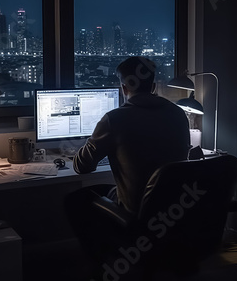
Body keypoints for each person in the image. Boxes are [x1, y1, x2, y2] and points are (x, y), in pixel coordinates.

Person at [65, 57, 191, 278]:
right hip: (175, 211)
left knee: (76, 200)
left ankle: (103, 265)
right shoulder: (179, 114)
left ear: (123, 88)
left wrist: (94, 141)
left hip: (137, 215)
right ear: (153, 86)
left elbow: (82, 167)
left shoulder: (115, 119)